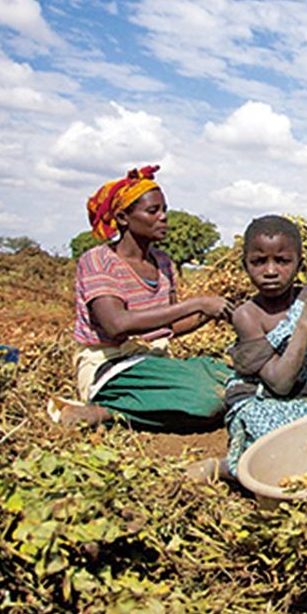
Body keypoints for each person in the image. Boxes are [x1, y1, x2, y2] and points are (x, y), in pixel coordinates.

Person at [61, 165, 233, 429]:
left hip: (153, 360)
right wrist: (197, 303)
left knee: (230, 378)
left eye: (164, 210)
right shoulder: (99, 261)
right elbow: (116, 324)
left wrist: (209, 313)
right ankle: (104, 412)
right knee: (206, 401)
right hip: (111, 367)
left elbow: (168, 326)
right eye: (153, 211)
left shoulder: (162, 262)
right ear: (123, 218)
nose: (163, 217)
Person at [216, 215, 307, 481]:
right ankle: (224, 468)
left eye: (282, 261)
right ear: (245, 265)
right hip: (263, 400)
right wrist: (305, 321)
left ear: (299, 265)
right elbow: (279, 383)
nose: (270, 271)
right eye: (259, 262)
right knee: (276, 443)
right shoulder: (247, 315)